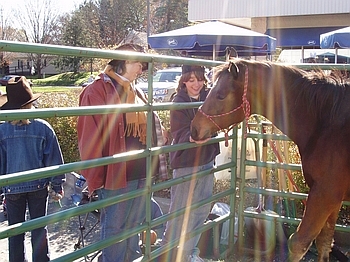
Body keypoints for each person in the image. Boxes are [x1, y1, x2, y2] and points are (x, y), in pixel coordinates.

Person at [76, 43, 168, 262]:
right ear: (126, 61)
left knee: (134, 226)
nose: (142, 69)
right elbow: (89, 137)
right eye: (140, 63)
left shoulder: (135, 90)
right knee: (115, 229)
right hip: (116, 176)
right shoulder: (97, 90)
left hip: (140, 171)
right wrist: (95, 177)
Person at [0, 76, 66, 262]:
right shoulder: (43, 128)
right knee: (39, 228)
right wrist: (57, 185)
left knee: (15, 230)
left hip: (12, 187)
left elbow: (1, 162)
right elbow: (54, 160)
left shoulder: (3, 130)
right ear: (30, 104)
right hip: (38, 186)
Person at [160, 65, 220, 262]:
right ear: (184, 80)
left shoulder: (209, 98)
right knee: (179, 210)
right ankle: (166, 253)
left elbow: (219, 121)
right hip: (186, 162)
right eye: (191, 79)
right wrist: (194, 136)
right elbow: (179, 133)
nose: (196, 84)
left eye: (200, 79)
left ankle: (187, 253)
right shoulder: (179, 102)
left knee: (201, 208)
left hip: (206, 160)